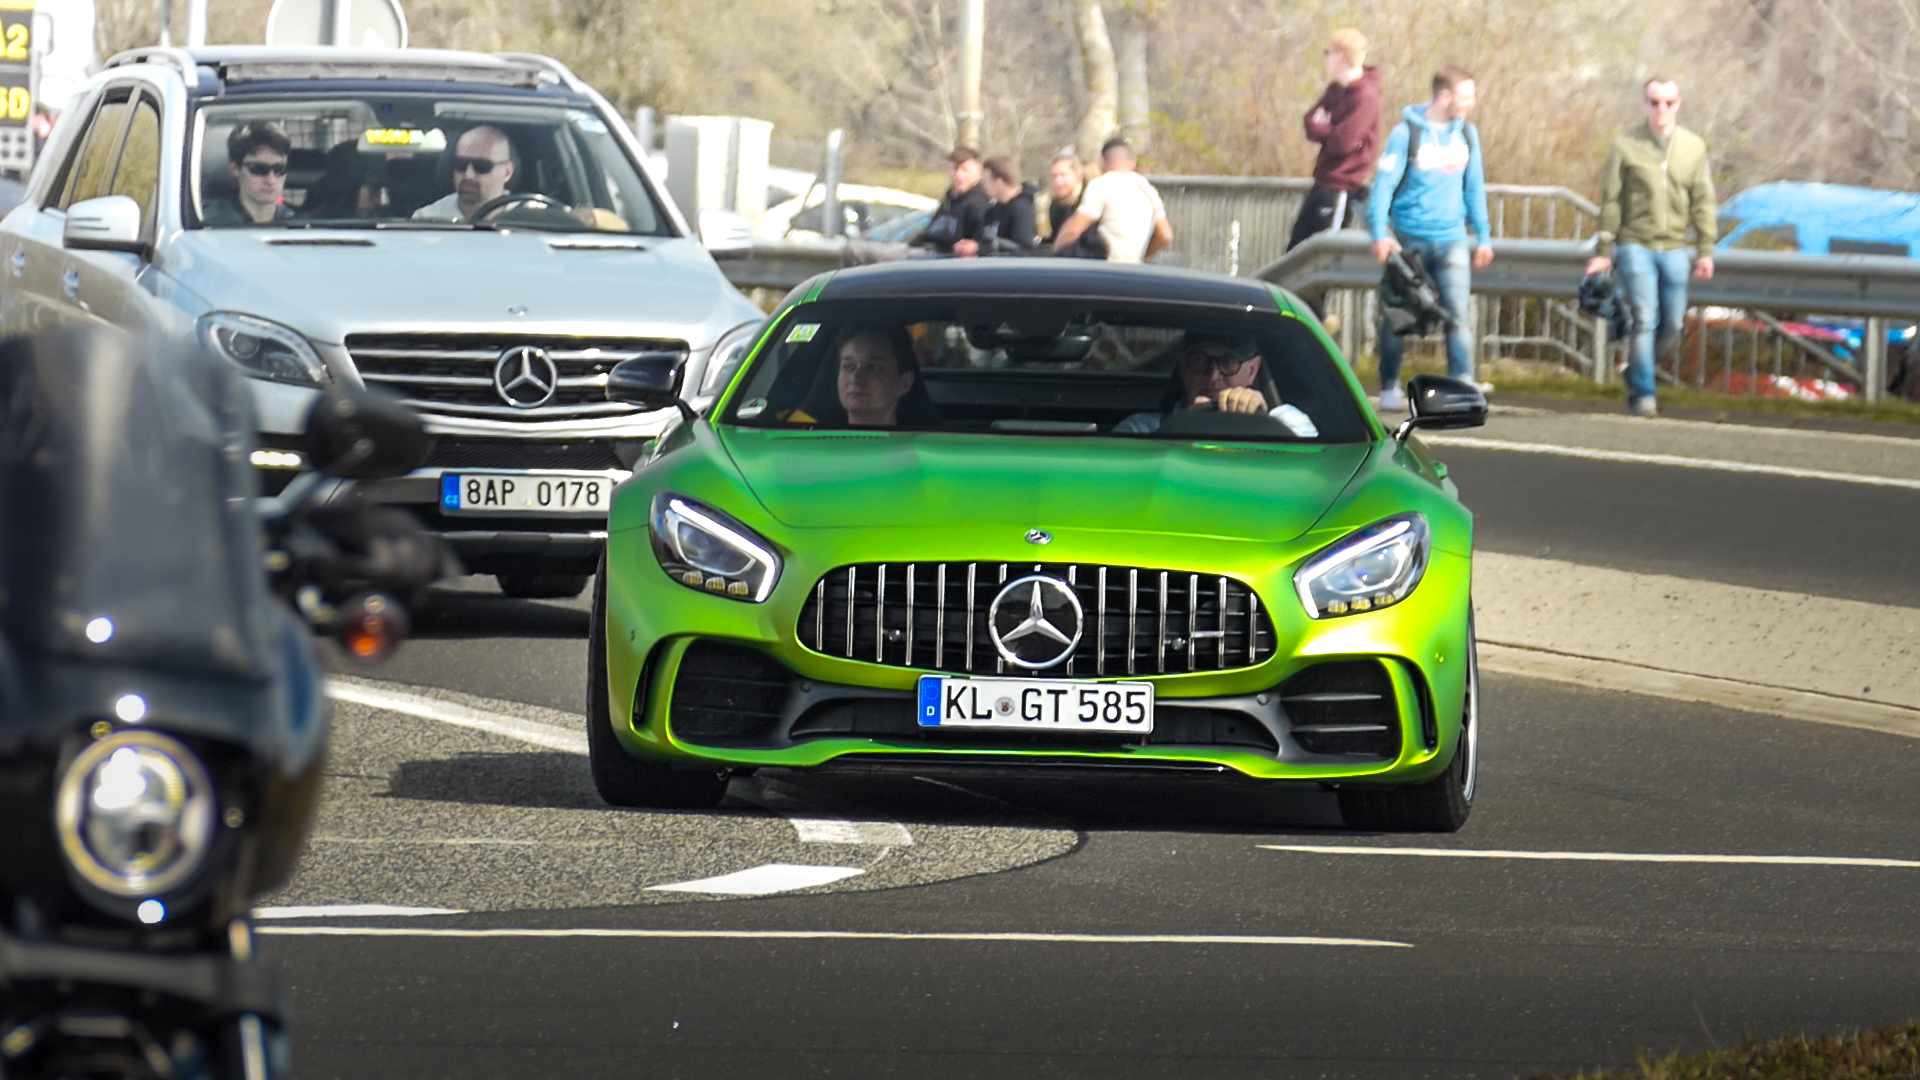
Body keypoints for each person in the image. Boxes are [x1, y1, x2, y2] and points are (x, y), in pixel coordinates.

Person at [1584, 77, 1717, 418]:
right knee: (1644, 318)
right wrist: (1604, 249)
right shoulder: (1625, 145)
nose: (1661, 109)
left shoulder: (1693, 147)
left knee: (1671, 322)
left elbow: (1702, 200)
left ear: (1678, 104)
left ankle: (1636, 371)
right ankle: (1644, 395)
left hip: (1675, 246)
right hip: (1635, 245)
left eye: (1668, 102)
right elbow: (1611, 200)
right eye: (1654, 102)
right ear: (1645, 104)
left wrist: (1705, 249)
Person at [1366, 66, 1494, 411]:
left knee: (1457, 315)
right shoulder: (1405, 134)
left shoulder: (1467, 133)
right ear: (1445, 96)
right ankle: (1390, 385)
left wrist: (1483, 235)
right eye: (1466, 96)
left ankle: (1462, 383)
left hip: (1452, 240)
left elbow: (1474, 187)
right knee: (1400, 316)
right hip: (1409, 242)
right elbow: (1383, 187)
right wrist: (1379, 233)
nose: (1472, 103)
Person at [1113, 334, 1318, 437]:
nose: (1212, 378)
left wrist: (1263, 424)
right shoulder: (1142, 431)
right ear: (1184, 368)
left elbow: (1317, 479)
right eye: (1200, 362)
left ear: (1252, 370)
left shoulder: (1289, 423)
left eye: (1228, 363)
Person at [1288, 28, 1381, 253]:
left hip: (1341, 187)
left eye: (1328, 52)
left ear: (1339, 57)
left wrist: (1324, 127)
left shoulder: (1366, 97)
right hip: (1321, 181)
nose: (1326, 58)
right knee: (1295, 250)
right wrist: (1327, 128)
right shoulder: (1335, 89)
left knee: (1321, 254)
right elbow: (1310, 121)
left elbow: (1343, 142)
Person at [1052, 138, 1172, 263]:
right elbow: (1166, 235)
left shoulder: (1101, 185)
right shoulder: (1147, 189)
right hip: (1134, 272)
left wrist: (1054, 253)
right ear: (1132, 163)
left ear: (1102, 162)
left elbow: (1073, 230)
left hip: (1105, 270)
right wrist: (1142, 256)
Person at [413, 125, 516, 223]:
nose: (468, 175)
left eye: (481, 166)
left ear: (507, 172)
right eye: (460, 164)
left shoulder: (527, 220)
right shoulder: (427, 220)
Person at [203, 122, 296, 226]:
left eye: (279, 169)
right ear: (235, 169)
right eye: (259, 169)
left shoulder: (298, 224)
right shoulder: (210, 224)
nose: (271, 180)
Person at [913, 148, 993, 255]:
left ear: (978, 172)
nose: (959, 175)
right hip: (926, 253)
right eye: (955, 169)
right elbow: (929, 233)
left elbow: (983, 244)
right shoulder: (949, 200)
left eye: (965, 170)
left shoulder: (979, 204)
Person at [963, 156, 1038, 256]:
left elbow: (1022, 248)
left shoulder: (1022, 209)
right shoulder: (993, 210)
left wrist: (980, 248)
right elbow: (982, 238)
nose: (983, 186)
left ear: (999, 183)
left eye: (986, 181)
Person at [1044, 153, 1107, 259]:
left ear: (1077, 175)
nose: (1058, 181)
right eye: (1054, 176)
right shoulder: (1056, 205)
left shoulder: (1090, 202)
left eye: (1063, 175)